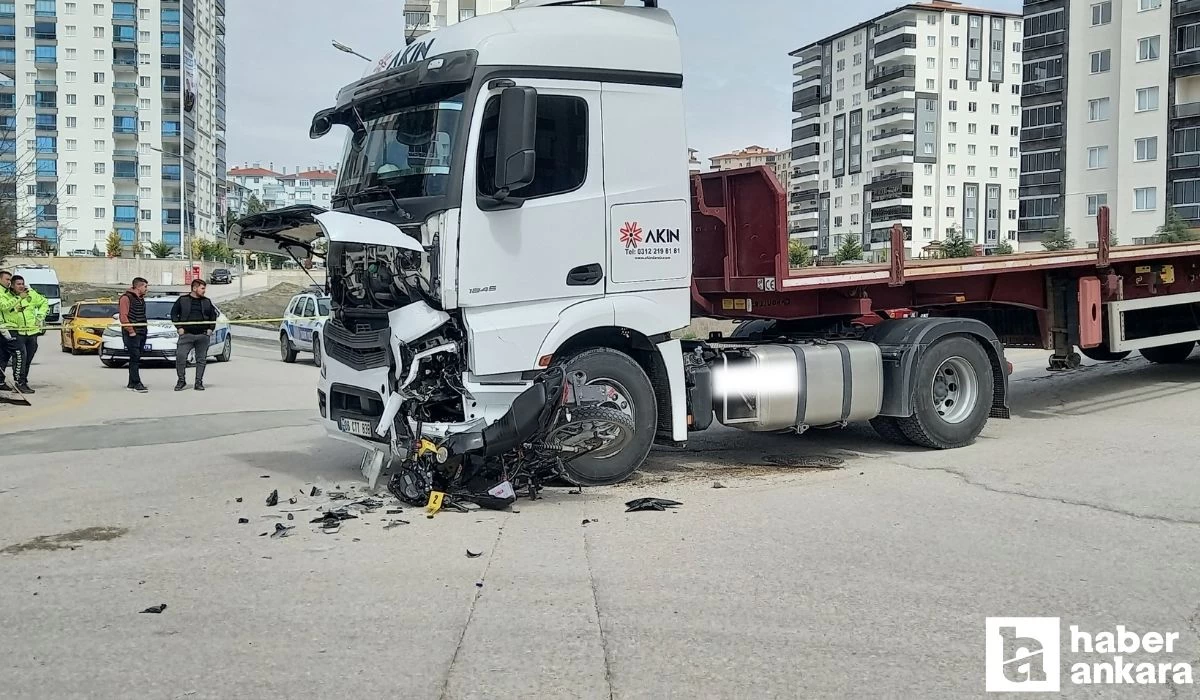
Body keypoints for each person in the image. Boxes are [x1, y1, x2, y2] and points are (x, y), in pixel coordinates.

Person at [0, 274, 48, 393]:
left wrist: (40, 317)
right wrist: (19, 298)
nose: (21, 286)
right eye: (18, 284)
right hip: (16, 332)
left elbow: (44, 302)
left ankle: (23, 380)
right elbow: (5, 308)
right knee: (20, 356)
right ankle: (19, 382)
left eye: (22, 284)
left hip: (32, 332)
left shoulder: (30, 294)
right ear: (12, 285)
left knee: (27, 358)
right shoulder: (6, 296)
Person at [170, 279, 218, 391]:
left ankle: (199, 382)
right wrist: (179, 327)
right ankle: (181, 381)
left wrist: (211, 329)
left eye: (204, 288)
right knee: (180, 357)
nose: (204, 291)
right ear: (194, 288)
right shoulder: (183, 300)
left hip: (202, 335)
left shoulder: (207, 301)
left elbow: (213, 316)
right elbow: (173, 314)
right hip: (186, 334)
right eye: (202, 288)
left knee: (201, 359)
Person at [118, 277, 150, 393]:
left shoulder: (141, 299)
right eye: (145, 286)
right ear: (138, 286)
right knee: (135, 357)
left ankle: (131, 383)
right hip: (132, 333)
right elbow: (123, 316)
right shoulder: (126, 298)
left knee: (136, 358)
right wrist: (131, 330)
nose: (147, 289)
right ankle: (137, 383)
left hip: (142, 331)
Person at [0, 269, 14, 391]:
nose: (9, 282)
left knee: (4, 356)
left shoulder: (6, 292)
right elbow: (3, 307)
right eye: (7, 279)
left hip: (5, 328)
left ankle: (0, 381)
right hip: (1, 329)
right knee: (2, 356)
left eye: (10, 280)